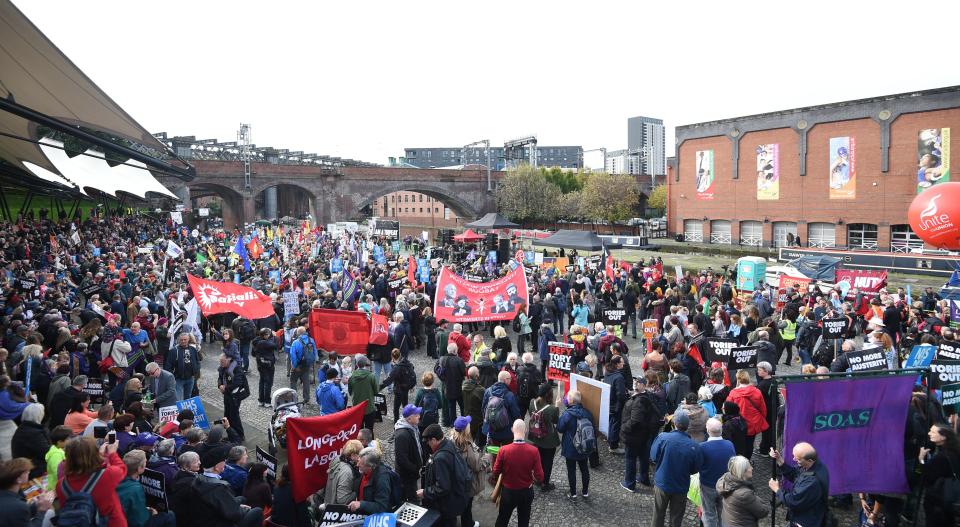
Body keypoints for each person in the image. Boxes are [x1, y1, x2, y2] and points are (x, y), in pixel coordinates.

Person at [177, 444, 262, 527]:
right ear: (217, 467)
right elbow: (233, 515)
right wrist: (242, 510)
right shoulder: (218, 487)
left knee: (242, 499)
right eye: (223, 461)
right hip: (218, 522)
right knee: (257, 511)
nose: (225, 462)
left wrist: (236, 504)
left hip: (208, 516)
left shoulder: (198, 478)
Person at [56, 436, 128, 526]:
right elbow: (121, 469)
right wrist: (112, 453)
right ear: (95, 453)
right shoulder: (108, 475)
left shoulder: (61, 485)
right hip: (110, 522)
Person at [650, 409, 704, 527]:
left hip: (662, 482)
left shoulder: (663, 437)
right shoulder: (694, 446)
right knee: (676, 517)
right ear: (687, 426)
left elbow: (653, 457)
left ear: (674, 423)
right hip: (681, 485)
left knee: (658, 513)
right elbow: (695, 469)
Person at [492, 419, 544, 527]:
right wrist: (532, 477)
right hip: (526, 492)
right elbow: (540, 477)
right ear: (525, 430)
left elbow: (495, 471)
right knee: (524, 521)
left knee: (502, 519)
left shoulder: (503, 450)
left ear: (512, 430)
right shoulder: (534, 451)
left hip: (508, 492)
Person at [621, 372, 665, 491]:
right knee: (643, 456)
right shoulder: (646, 396)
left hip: (635, 435)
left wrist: (624, 427)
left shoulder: (640, 401)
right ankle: (643, 478)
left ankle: (629, 484)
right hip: (644, 434)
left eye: (639, 382)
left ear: (644, 386)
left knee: (630, 459)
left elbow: (635, 420)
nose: (636, 383)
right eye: (636, 381)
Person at [418, 423, 469, 527]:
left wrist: (425, 492)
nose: (428, 444)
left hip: (446, 506)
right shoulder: (448, 444)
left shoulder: (440, 459)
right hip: (453, 501)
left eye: (428, 442)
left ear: (433, 440)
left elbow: (443, 487)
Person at [769, 442, 830, 527]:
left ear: (809, 460)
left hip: (806, 521)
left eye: (797, 459)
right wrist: (779, 460)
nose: (794, 459)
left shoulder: (812, 482)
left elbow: (793, 501)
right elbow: (795, 474)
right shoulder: (814, 465)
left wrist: (777, 489)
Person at [117, 449, 176, 527]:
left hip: (120, 515)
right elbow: (140, 521)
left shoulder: (116, 477)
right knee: (169, 515)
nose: (146, 464)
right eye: (145, 463)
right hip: (128, 522)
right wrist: (151, 514)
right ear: (139, 469)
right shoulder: (136, 488)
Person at [919, 423, 960, 525]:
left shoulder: (941, 457)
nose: (929, 433)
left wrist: (921, 460)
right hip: (949, 501)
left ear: (943, 437)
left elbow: (926, 476)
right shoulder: (954, 452)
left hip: (937, 502)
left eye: (933, 432)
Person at [556, 389, 594, 499]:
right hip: (584, 446)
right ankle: (585, 492)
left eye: (568, 397)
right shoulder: (587, 413)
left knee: (571, 471)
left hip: (571, 448)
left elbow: (560, 429)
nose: (566, 399)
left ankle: (573, 493)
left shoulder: (567, 414)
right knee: (584, 469)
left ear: (571, 400)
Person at [451, 416, 488, 527]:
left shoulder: (451, 440)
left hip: (456, 479)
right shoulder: (466, 446)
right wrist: (486, 460)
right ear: (465, 429)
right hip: (467, 482)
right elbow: (476, 465)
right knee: (467, 505)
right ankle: (468, 524)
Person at [700, 418, 736, 527]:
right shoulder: (729, 444)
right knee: (723, 513)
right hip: (725, 484)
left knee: (708, 513)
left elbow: (697, 465)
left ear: (707, 431)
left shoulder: (702, 447)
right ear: (721, 431)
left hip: (707, 485)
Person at [716, 455, 770, 527]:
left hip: (727, 522)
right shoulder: (745, 494)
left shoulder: (726, 480)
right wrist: (756, 498)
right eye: (749, 466)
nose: (752, 468)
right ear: (743, 471)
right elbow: (763, 511)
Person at [0, 457, 54, 527]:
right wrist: (42, 511)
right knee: (50, 512)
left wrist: (36, 505)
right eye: (26, 472)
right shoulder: (17, 506)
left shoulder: (8, 495)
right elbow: (18, 510)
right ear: (18, 479)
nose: (29, 472)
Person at [725, 369, 767, 458]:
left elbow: (727, 409)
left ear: (738, 379)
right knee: (750, 444)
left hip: (738, 424)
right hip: (753, 423)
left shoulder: (733, 393)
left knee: (739, 444)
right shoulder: (757, 391)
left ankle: (740, 463)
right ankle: (747, 460)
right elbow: (763, 409)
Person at [527, 382, 560, 491]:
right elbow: (556, 421)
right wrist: (557, 406)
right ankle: (545, 483)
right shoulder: (551, 409)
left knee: (538, 460)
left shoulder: (532, 402)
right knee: (548, 462)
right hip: (548, 441)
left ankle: (537, 478)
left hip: (535, 437)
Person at [481, 371, 522, 447]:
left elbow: (483, 409)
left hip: (491, 429)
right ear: (505, 380)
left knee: (494, 451)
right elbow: (516, 414)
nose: (511, 380)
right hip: (506, 431)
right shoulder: (509, 395)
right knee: (506, 452)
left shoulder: (488, 391)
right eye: (510, 379)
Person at [347, 447, 392, 514]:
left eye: (361, 464)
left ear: (370, 467)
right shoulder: (364, 472)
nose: (357, 464)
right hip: (363, 513)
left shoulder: (382, 479)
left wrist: (361, 504)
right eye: (358, 460)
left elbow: (382, 506)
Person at [394, 404, 424, 503]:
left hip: (411, 473)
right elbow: (402, 459)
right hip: (407, 475)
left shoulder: (413, 427)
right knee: (411, 498)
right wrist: (415, 469)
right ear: (409, 419)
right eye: (416, 415)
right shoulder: (402, 435)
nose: (419, 416)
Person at [10, 404, 49, 479]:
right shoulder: (34, 433)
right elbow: (47, 453)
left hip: (23, 466)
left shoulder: (23, 428)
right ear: (39, 416)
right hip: (30, 470)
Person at [379, 348, 416, 422]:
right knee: (405, 405)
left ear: (392, 357)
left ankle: (396, 422)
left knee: (396, 408)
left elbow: (389, 380)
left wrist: (379, 387)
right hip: (406, 388)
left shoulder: (397, 368)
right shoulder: (407, 363)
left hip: (399, 389)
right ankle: (407, 420)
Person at [322, 440, 362, 506]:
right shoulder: (347, 471)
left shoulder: (338, 461)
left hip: (329, 508)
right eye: (360, 455)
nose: (361, 458)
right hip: (337, 511)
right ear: (353, 455)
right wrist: (357, 491)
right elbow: (342, 500)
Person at [217, 353, 247, 440]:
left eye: (222, 361)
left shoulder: (237, 369)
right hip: (227, 394)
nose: (221, 363)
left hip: (236, 395)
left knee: (234, 416)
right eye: (220, 361)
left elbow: (238, 383)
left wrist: (225, 388)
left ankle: (240, 436)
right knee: (227, 414)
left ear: (229, 359)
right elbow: (219, 378)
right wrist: (220, 386)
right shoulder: (223, 367)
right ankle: (231, 435)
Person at [438, 343, 467, 427]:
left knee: (451, 407)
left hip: (448, 387)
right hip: (459, 387)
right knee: (462, 406)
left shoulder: (442, 359)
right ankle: (463, 423)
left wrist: (443, 379)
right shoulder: (459, 360)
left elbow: (437, 369)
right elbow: (464, 372)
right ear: (455, 351)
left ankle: (453, 424)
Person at [348, 356, 379, 431]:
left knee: (358, 431)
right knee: (369, 431)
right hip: (369, 407)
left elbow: (350, 392)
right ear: (365, 364)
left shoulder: (352, 377)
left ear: (357, 365)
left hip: (357, 408)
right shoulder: (371, 376)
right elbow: (376, 391)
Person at [165, 334, 200, 402]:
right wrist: (172, 377)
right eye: (181, 340)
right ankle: (179, 412)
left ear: (188, 340)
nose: (183, 341)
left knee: (188, 398)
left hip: (190, 378)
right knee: (178, 399)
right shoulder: (174, 351)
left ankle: (186, 412)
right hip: (178, 379)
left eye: (185, 339)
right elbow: (168, 366)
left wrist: (196, 370)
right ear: (178, 340)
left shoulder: (193, 349)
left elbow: (197, 361)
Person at [288, 327, 317, 404]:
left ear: (298, 333)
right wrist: (312, 362)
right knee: (306, 381)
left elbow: (292, 355)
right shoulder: (311, 340)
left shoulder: (296, 342)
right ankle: (306, 398)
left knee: (293, 381)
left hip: (298, 365)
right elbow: (315, 352)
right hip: (307, 365)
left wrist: (294, 366)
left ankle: (293, 398)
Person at [251, 329, 277, 408]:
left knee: (262, 382)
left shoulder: (256, 341)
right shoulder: (265, 343)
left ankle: (261, 400)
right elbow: (275, 345)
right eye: (268, 334)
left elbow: (253, 354)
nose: (269, 335)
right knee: (268, 383)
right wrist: (275, 336)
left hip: (260, 364)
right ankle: (267, 401)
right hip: (268, 365)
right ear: (264, 335)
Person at [461, 366, 485, 447]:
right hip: (478, 419)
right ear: (477, 376)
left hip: (466, 415)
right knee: (477, 441)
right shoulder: (480, 390)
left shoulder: (463, 386)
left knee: (468, 439)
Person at [44, 426, 71, 491]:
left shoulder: (59, 449)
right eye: (67, 439)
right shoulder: (56, 455)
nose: (70, 440)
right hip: (56, 487)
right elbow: (58, 473)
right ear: (59, 442)